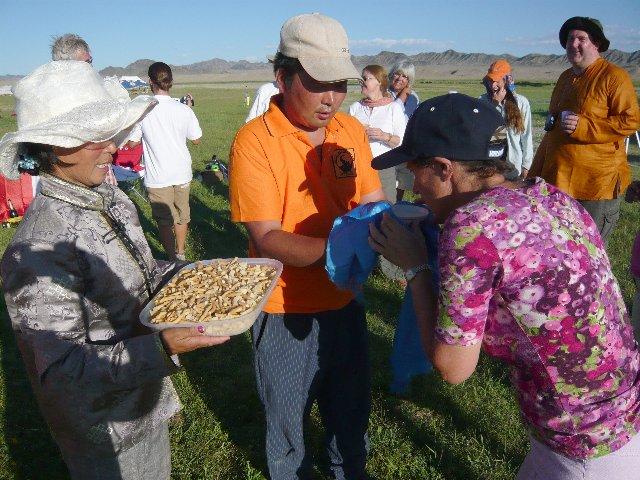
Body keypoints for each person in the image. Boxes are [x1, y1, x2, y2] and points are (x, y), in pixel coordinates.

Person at [369, 93, 640, 480]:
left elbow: (454, 368)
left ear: (445, 168)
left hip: (582, 445)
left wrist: (415, 268)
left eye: (415, 170)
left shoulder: (472, 228)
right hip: (617, 416)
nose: (413, 187)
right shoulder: (548, 195)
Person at [0, 61, 229, 479]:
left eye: (112, 133)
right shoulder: (39, 248)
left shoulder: (111, 198)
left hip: (142, 400)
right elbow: (62, 370)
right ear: (51, 148)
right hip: (104, 429)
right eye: (93, 136)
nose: (112, 147)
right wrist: (163, 348)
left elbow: (140, 268)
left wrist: (195, 276)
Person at [229, 13, 385, 480]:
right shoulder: (255, 141)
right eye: (318, 84)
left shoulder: (349, 131)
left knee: (350, 410)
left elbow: (372, 199)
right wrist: (344, 249)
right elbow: (267, 238)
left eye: (339, 84)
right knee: (287, 421)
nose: (331, 98)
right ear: (283, 76)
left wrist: (398, 235)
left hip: (346, 297)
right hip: (284, 306)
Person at [528, 16, 640, 244]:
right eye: (570, 39)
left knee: (590, 253)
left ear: (596, 43)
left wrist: (585, 126)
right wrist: (534, 173)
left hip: (595, 186)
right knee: (560, 249)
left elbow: (630, 120)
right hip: (559, 182)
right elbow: (552, 129)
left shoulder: (614, 77)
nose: (574, 44)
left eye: (581, 38)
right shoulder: (565, 78)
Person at [128, 62, 202, 261]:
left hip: (158, 175)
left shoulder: (144, 111)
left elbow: (133, 143)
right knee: (181, 214)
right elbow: (196, 140)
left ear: (150, 82)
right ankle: (181, 253)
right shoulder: (184, 110)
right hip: (182, 172)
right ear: (170, 82)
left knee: (163, 220)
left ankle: (170, 258)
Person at [51, 33, 120, 186]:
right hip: (73, 177)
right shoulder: (53, 101)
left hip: (101, 170)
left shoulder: (96, 91)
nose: (91, 67)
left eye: (91, 61)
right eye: (86, 62)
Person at [349, 65, 406, 203]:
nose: (361, 82)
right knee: (358, 206)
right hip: (358, 167)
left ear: (379, 82)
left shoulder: (393, 108)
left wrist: (383, 136)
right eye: (361, 78)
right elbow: (347, 139)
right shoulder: (355, 108)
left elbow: (401, 142)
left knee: (387, 207)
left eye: (365, 78)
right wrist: (356, 132)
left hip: (384, 166)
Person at [480, 59, 533, 179]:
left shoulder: (521, 103)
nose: (493, 85)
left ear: (506, 80)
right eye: (490, 80)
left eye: (497, 81)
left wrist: (527, 166)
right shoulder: (482, 102)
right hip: (491, 168)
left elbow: (526, 136)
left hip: (514, 167)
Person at [388, 60, 419, 201]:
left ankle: (397, 210)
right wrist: (402, 96)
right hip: (387, 146)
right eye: (397, 74)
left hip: (405, 147)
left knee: (402, 184)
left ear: (409, 80)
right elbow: (394, 111)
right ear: (391, 75)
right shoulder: (383, 94)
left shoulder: (414, 97)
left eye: (405, 76)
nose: (400, 79)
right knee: (388, 185)